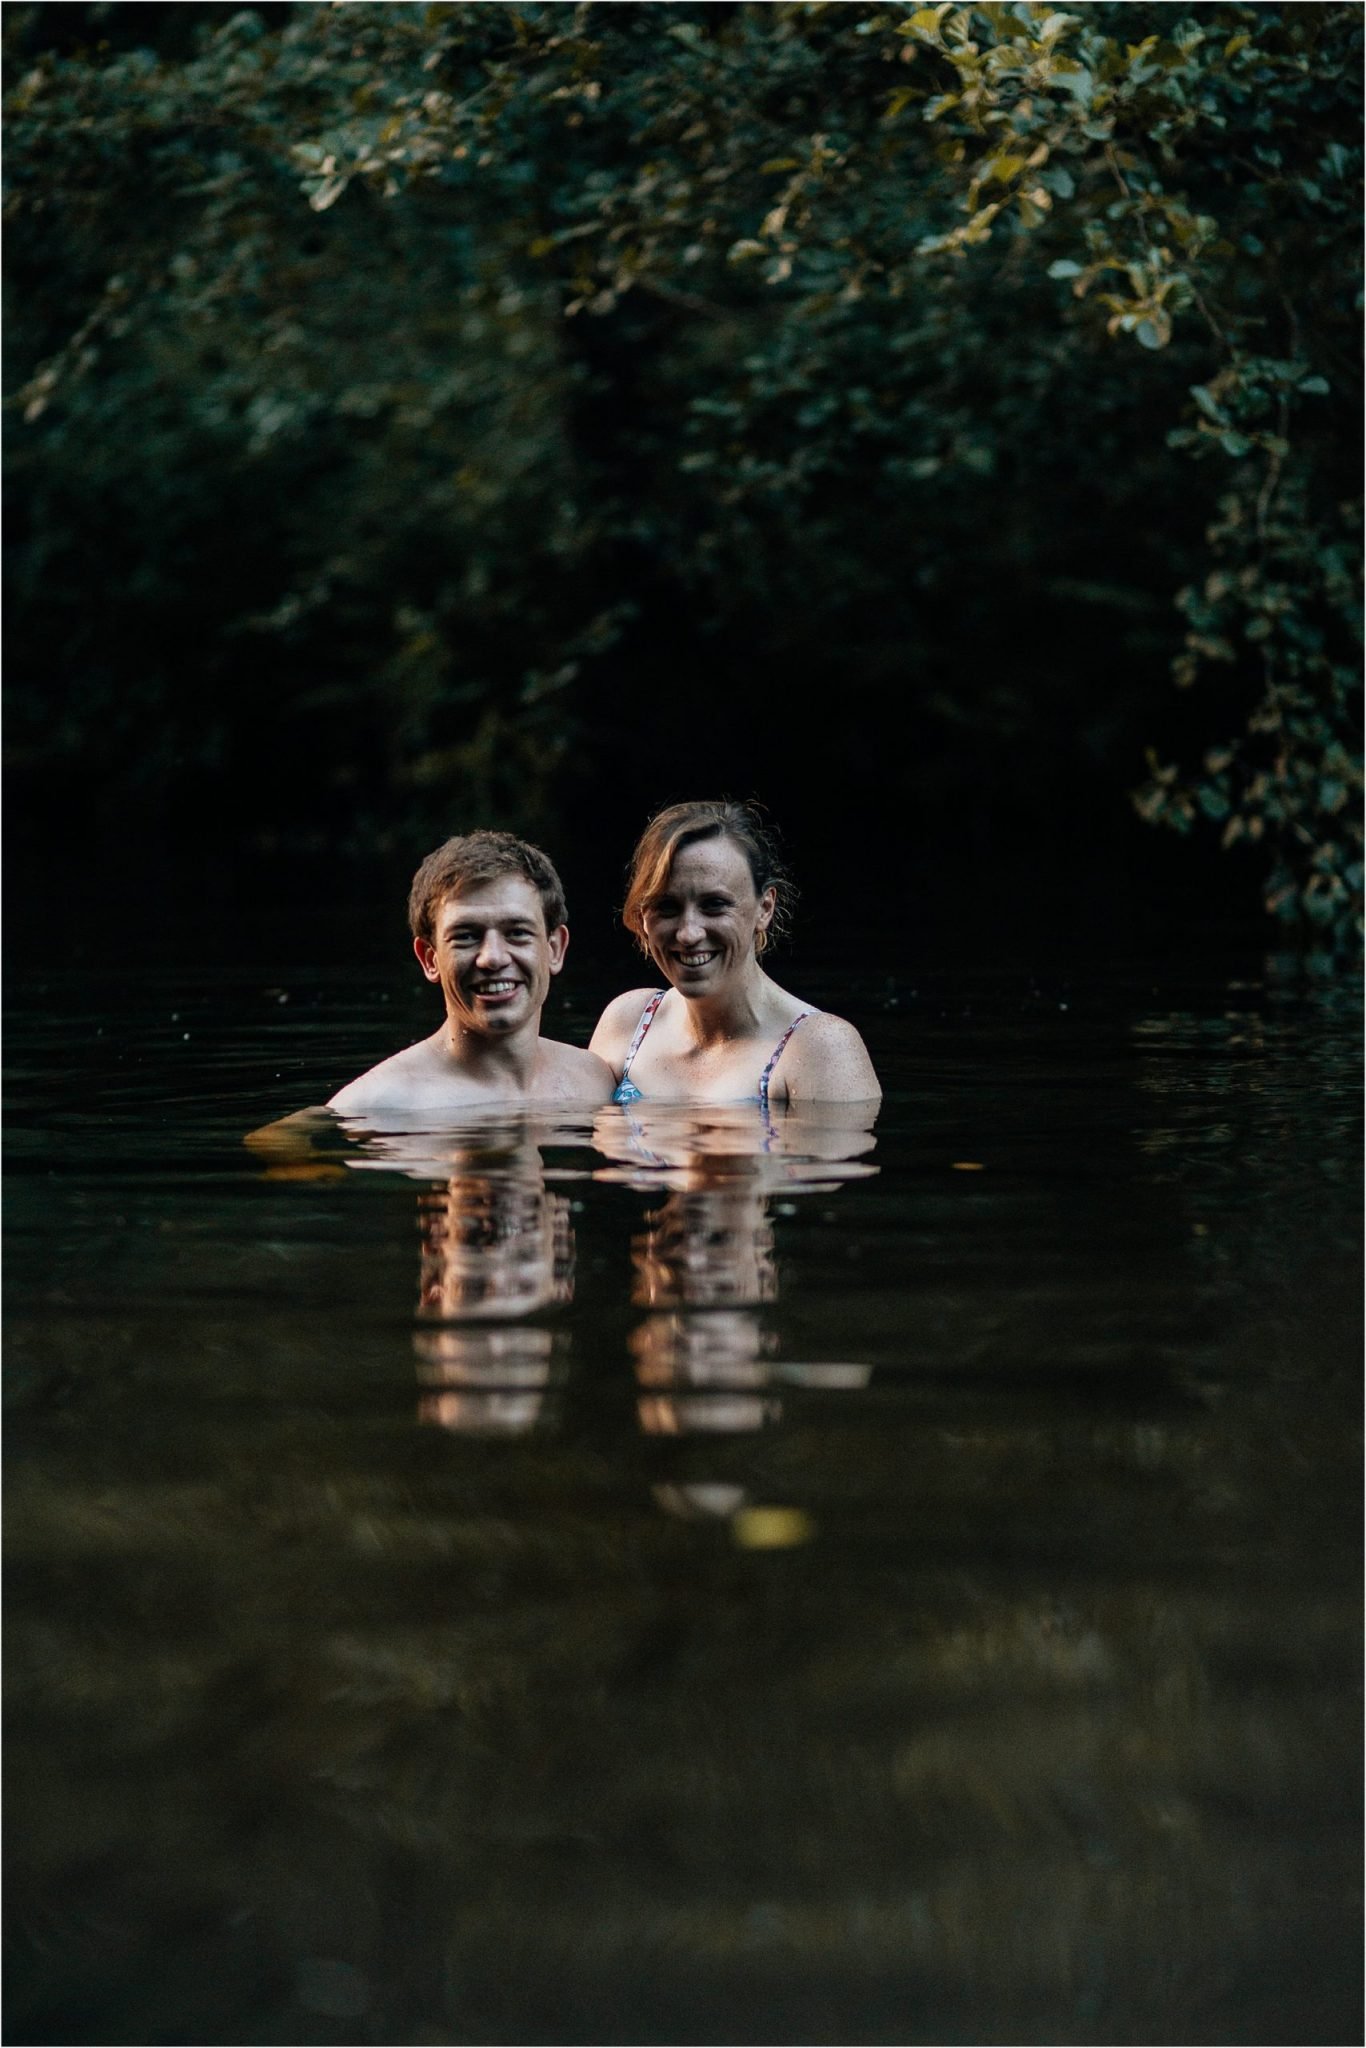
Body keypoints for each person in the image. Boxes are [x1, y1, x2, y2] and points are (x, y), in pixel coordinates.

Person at [589, 800, 880, 1106]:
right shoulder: (628, 1022)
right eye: (667, 907)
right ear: (644, 918)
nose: (688, 933)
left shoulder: (821, 1049)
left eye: (714, 904)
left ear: (764, 908)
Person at [327, 830, 614, 1113]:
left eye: (516, 932)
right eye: (466, 936)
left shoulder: (595, 1082)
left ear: (554, 949)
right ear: (430, 958)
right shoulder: (375, 1106)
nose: (492, 958)